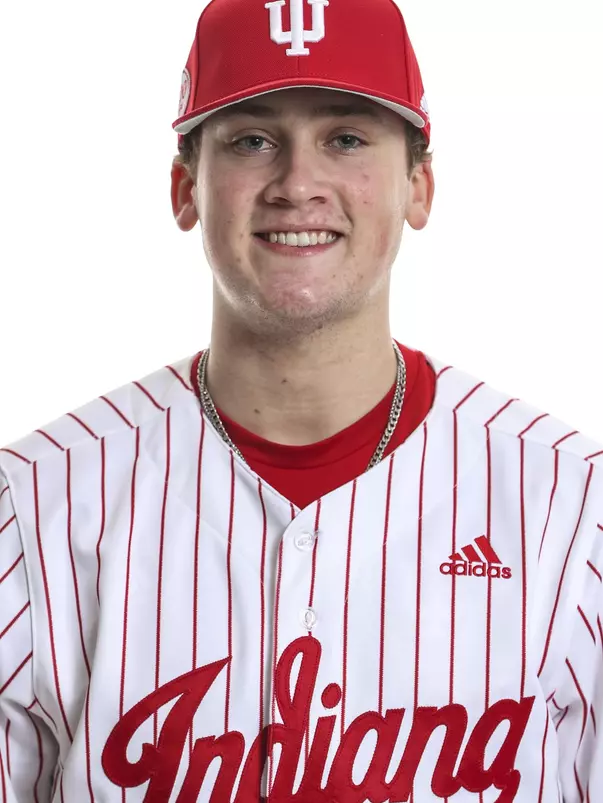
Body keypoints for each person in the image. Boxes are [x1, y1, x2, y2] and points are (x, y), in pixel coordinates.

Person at [1, 0, 602, 799]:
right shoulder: (33, 502)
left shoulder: (570, 506)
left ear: (418, 187)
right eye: (253, 140)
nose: (298, 184)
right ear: (185, 188)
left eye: (345, 137)